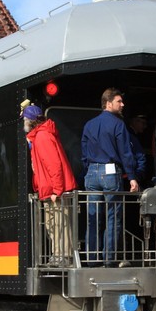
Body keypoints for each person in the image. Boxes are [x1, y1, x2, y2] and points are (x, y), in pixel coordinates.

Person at [81, 88, 140, 267]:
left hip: (91, 172)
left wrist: (89, 168)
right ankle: (110, 259)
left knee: (93, 216)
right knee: (113, 216)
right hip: (110, 172)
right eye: (119, 102)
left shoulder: (89, 124)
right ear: (108, 103)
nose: (122, 105)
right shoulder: (118, 124)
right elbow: (125, 152)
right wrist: (132, 176)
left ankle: (92, 260)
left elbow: (83, 152)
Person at [23, 104, 78, 265]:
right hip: (49, 189)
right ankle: (59, 255)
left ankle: (63, 256)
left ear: (31, 121)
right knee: (54, 224)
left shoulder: (42, 137)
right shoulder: (41, 135)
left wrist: (57, 190)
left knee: (58, 223)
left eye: (25, 120)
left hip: (53, 190)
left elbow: (54, 165)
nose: (24, 124)